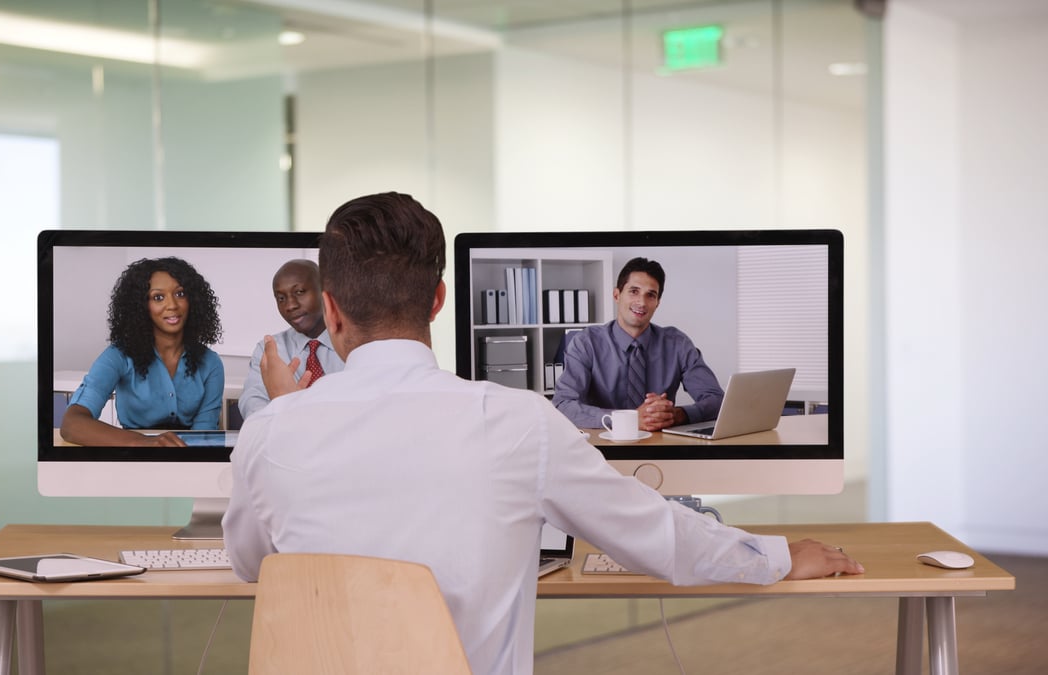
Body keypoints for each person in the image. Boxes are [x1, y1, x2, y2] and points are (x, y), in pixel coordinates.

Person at [222, 192, 863, 675]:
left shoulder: (272, 430)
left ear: (328, 308)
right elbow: (657, 536)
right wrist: (777, 556)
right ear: (439, 299)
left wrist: (285, 414)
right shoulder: (517, 423)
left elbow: (253, 564)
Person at [60, 257, 225, 447]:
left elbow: (203, 435)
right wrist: (145, 443)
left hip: (187, 458)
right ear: (140, 306)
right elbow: (71, 424)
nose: (172, 305)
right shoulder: (118, 356)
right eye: (158, 297)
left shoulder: (210, 363)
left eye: (180, 294)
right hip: (133, 458)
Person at [552, 257, 724, 432]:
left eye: (651, 295)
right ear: (617, 295)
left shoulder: (677, 344)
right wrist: (628, 420)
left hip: (661, 447)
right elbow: (563, 405)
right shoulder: (586, 342)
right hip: (604, 446)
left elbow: (717, 400)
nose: (641, 302)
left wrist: (678, 415)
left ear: (657, 303)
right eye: (634, 291)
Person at [237, 259, 345, 420]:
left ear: (324, 289)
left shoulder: (354, 341)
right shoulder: (269, 350)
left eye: (300, 292)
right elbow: (252, 404)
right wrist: (286, 408)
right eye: (281, 298)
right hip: (286, 441)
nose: (290, 306)